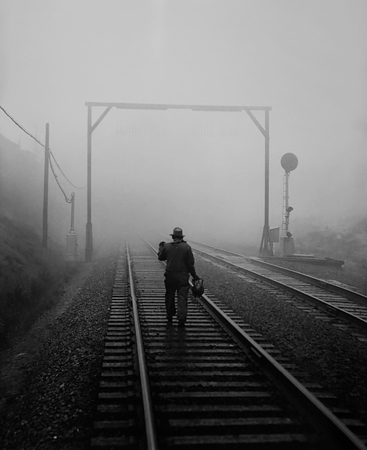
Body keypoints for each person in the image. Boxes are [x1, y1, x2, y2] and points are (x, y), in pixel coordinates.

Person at [158, 227, 199, 326]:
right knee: (182, 297)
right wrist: (195, 276)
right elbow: (190, 265)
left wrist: (160, 249)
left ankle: (170, 315)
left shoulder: (167, 246)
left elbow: (161, 258)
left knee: (169, 295)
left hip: (170, 276)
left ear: (173, 237)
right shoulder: (186, 247)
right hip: (182, 277)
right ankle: (181, 319)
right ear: (181, 237)